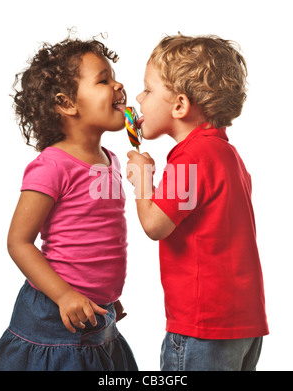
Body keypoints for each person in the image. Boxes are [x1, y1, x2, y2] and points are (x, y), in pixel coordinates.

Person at [0, 35, 138, 371]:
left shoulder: (112, 159)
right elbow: (18, 242)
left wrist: (105, 291)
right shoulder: (53, 165)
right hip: (54, 318)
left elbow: (99, 235)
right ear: (67, 103)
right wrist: (64, 295)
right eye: (104, 80)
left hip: (97, 314)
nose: (119, 86)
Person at [127, 34, 269, 371]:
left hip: (204, 327)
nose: (138, 98)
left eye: (147, 90)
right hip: (244, 324)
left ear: (179, 105)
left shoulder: (191, 158)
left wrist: (142, 177)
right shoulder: (226, 154)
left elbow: (155, 225)